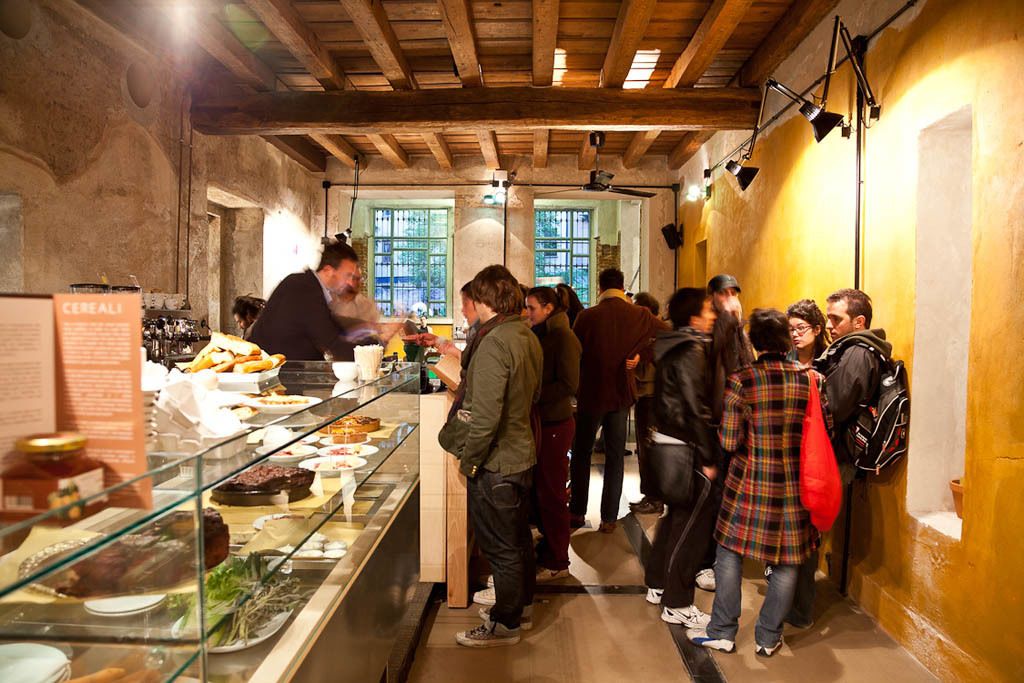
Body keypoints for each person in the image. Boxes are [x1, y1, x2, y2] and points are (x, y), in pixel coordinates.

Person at [687, 308, 827, 657]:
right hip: (794, 485)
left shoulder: (742, 380)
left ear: (754, 340)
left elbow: (730, 441)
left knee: (729, 552)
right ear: (784, 338)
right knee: (787, 560)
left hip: (749, 482)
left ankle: (722, 630)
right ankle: (768, 637)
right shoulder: (807, 379)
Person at [783, 288, 891, 629]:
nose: (830, 325)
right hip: (826, 453)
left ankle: (798, 610)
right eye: (827, 318)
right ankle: (793, 605)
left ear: (858, 321)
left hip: (831, 456)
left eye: (835, 319)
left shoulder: (858, 354)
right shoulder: (846, 350)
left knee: (806, 532)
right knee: (804, 530)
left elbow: (835, 405)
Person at [454, 266, 543, 648]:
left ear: (485, 298)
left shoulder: (493, 342)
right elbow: (532, 395)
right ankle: (519, 606)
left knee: (501, 547)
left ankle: (504, 623)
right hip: (520, 453)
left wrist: (469, 461)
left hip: (497, 461)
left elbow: (486, 416)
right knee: (518, 539)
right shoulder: (525, 334)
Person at [569, 268, 667, 533]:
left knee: (581, 455)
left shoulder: (586, 317)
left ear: (600, 287)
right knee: (615, 458)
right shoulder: (640, 315)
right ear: (622, 287)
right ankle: (609, 518)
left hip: (590, 394)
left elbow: (574, 353)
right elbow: (666, 334)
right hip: (622, 395)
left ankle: (577, 512)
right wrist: (641, 354)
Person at [643, 288, 719, 628]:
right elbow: (694, 405)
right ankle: (678, 602)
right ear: (693, 316)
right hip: (685, 446)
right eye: (708, 310)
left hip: (665, 442)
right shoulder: (691, 350)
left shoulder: (672, 345)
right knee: (691, 529)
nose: (713, 316)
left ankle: (657, 584)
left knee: (675, 519)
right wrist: (708, 454)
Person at [695, 274, 754, 592]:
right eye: (725, 293)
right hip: (717, 428)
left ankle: (720, 556)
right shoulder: (714, 333)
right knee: (713, 498)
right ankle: (705, 562)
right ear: (713, 298)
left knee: (727, 497)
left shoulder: (738, 333)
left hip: (734, 428)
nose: (732, 298)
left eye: (735, 292)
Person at [524, 286, 581, 581]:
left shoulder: (563, 337)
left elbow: (570, 383)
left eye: (532, 308)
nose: (528, 313)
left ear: (548, 308)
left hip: (556, 424)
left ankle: (559, 560)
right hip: (544, 422)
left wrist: (532, 395)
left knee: (553, 494)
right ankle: (550, 547)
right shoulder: (545, 334)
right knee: (544, 491)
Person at [248, 242, 362, 360]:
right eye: (348, 276)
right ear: (328, 271)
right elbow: (332, 340)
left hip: (284, 371)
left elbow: (333, 325)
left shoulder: (309, 286)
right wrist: (371, 351)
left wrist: (372, 329)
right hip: (269, 372)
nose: (351, 283)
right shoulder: (304, 288)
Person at [628, 292, 663, 516]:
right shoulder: (645, 332)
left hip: (652, 396)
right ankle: (649, 494)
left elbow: (657, 365)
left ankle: (655, 497)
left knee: (651, 450)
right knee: (645, 449)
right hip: (644, 395)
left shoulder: (659, 332)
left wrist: (640, 359)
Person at [787, 299, 830, 368]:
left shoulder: (829, 359)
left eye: (801, 328)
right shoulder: (786, 359)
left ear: (817, 329)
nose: (794, 334)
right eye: (791, 329)